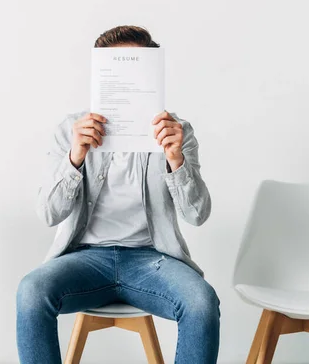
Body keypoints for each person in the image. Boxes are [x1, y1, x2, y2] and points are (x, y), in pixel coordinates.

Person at [16, 25, 220, 363]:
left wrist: (175, 159)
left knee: (201, 302)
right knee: (31, 291)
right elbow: (48, 213)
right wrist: (75, 156)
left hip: (151, 259)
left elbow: (198, 215)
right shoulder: (71, 129)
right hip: (84, 258)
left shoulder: (176, 131)